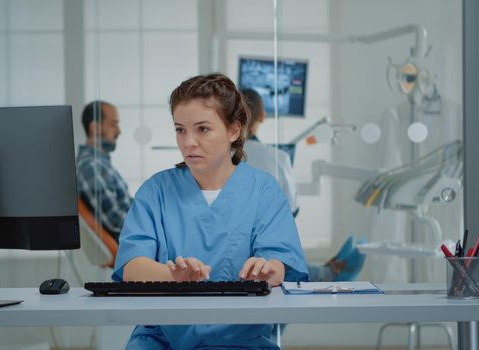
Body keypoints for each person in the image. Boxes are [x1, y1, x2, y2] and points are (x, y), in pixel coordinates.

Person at [113, 73, 308, 350]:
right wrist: (173, 278)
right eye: (180, 129)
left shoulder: (263, 191)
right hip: (162, 339)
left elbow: (281, 265)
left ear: (234, 130)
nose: (188, 142)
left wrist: (267, 270)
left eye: (202, 129)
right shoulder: (155, 191)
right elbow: (132, 267)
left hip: (240, 340)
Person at [241, 88, 365, 282]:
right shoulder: (278, 158)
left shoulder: (214, 161)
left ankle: (327, 271)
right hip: (259, 252)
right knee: (275, 249)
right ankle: (329, 273)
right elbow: (291, 209)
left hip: (239, 249)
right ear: (263, 116)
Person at [76, 101, 132, 242]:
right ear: (95, 128)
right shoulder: (91, 166)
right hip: (132, 244)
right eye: (113, 124)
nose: (119, 131)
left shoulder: (100, 163)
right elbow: (115, 220)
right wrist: (154, 225)